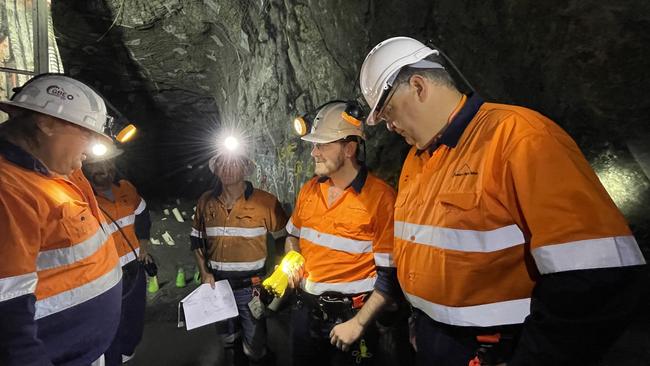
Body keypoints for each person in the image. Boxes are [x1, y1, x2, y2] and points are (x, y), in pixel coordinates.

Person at [358, 36, 647, 365]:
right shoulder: (416, 160)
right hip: (434, 340)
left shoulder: (520, 137)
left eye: (388, 111)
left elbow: (597, 277)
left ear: (419, 86)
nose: (390, 126)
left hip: (495, 348)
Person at [0, 74, 122, 365]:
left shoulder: (54, 168)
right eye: (87, 133)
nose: (91, 147)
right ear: (46, 123)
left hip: (85, 349)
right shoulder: (9, 191)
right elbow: (7, 316)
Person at [284, 101, 401, 366]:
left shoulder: (381, 198)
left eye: (322, 145)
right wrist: (292, 257)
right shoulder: (309, 190)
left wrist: (358, 324)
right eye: (314, 145)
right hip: (305, 313)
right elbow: (292, 236)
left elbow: (390, 275)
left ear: (349, 148)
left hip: (351, 317)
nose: (314, 153)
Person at [190, 137, 288, 366]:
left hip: (251, 287)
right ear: (216, 169)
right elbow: (196, 239)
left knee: (254, 346)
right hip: (217, 286)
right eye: (223, 163)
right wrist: (204, 272)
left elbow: (283, 237)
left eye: (234, 163)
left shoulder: (266, 202)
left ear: (245, 168)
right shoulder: (206, 201)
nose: (228, 168)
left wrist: (279, 272)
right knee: (228, 339)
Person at [82, 146, 152, 365]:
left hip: (134, 266)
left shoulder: (126, 189)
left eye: (108, 163)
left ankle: (125, 353)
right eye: (97, 164)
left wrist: (144, 243)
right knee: (110, 324)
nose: (105, 169)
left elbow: (142, 213)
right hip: (105, 274)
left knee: (134, 319)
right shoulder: (82, 199)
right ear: (85, 166)